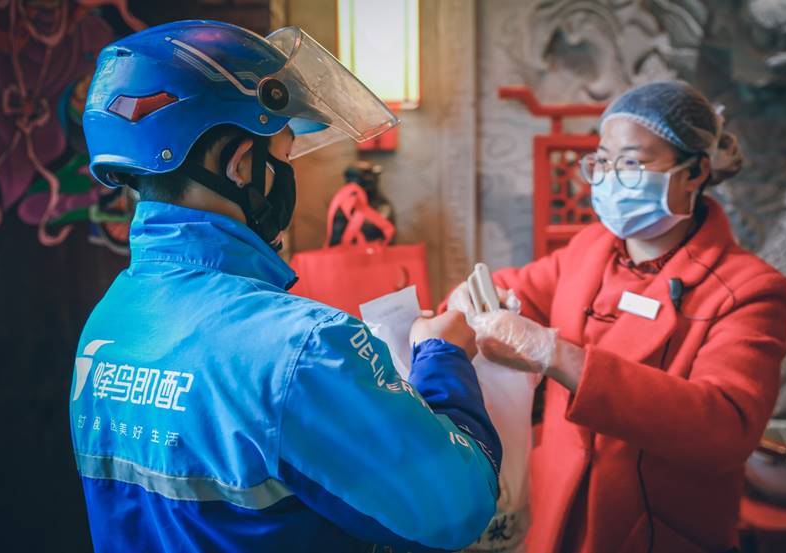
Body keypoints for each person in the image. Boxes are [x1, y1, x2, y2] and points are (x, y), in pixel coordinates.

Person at [70, 20, 501, 553]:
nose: (285, 173)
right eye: (283, 154)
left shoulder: (109, 321)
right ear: (239, 165)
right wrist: (442, 356)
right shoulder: (303, 347)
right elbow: (456, 507)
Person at [450, 81, 786, 553]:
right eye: (603, 160)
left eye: (631, 162)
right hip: (556, 513)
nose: (610, 177)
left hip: (654, 529)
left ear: (695, 171)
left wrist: (555, 355)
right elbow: (522, 287)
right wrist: (471, 299)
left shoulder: (749, 291)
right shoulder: (591, 247)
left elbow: (725, 429)